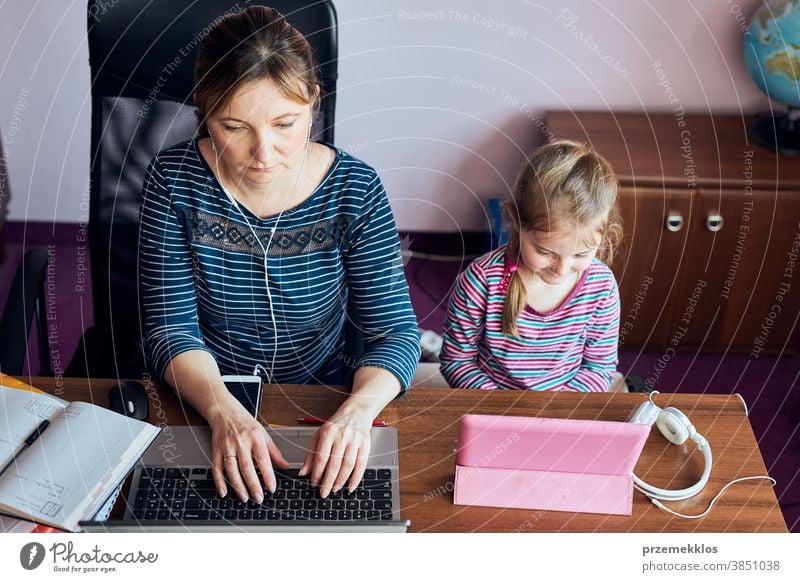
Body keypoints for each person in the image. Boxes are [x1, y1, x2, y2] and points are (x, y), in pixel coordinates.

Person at [139, 6, 419, 505]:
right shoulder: (173, 180)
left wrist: (357, 412)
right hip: (208, 397)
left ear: (313, 101)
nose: (263, 153)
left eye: (285, 123)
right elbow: (170, 328)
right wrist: (224, 413)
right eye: (234, 126)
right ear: (205, 113)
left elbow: (394, 332)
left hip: (323, 399)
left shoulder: (355, 189)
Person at [440, 140, 622, 391]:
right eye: (546, 252)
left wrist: (553, 413)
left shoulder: (601, 286)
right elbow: (457, 361)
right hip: (491, 411)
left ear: (605, 236)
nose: (561, 268)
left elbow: (599, 368)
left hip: (562, 414)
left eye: (581, 254)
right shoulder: (481, 281)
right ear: (516, 221)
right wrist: (501, 410)